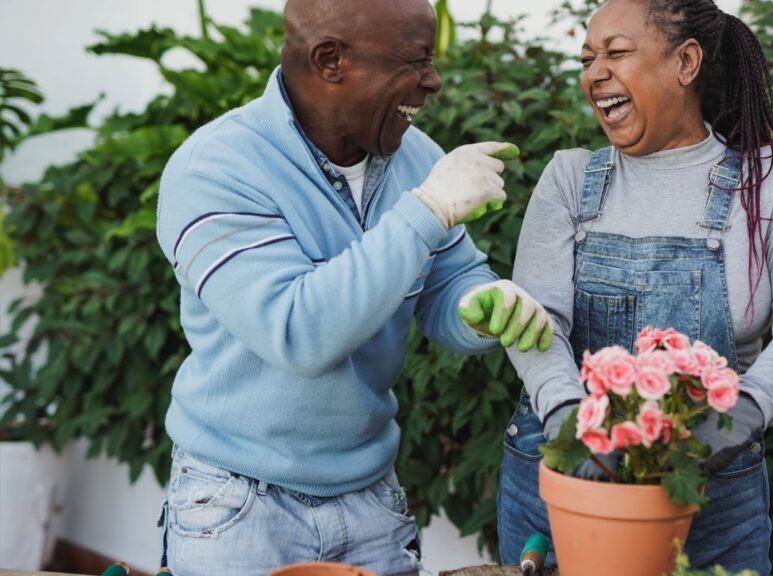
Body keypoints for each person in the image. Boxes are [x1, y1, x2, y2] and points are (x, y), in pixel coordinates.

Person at [153, 0, 553, 574]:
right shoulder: (215, 168)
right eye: (414, 62)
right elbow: (297, 334)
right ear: (331, 60)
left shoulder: (416, 157)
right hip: (238, 505)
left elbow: (446, 282)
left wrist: (478, 306)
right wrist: (429, 209)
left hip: (371, 498)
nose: (433, 81)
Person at [496, 0, 773, 573]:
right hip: (564, 483)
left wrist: (738, 415)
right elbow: (540, 321)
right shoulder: (569, 179)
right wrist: (565, 420)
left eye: (616, 53)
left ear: (685, 62)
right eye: (587, 58)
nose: (595, 73)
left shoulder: (769, 179)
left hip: (714, 493)